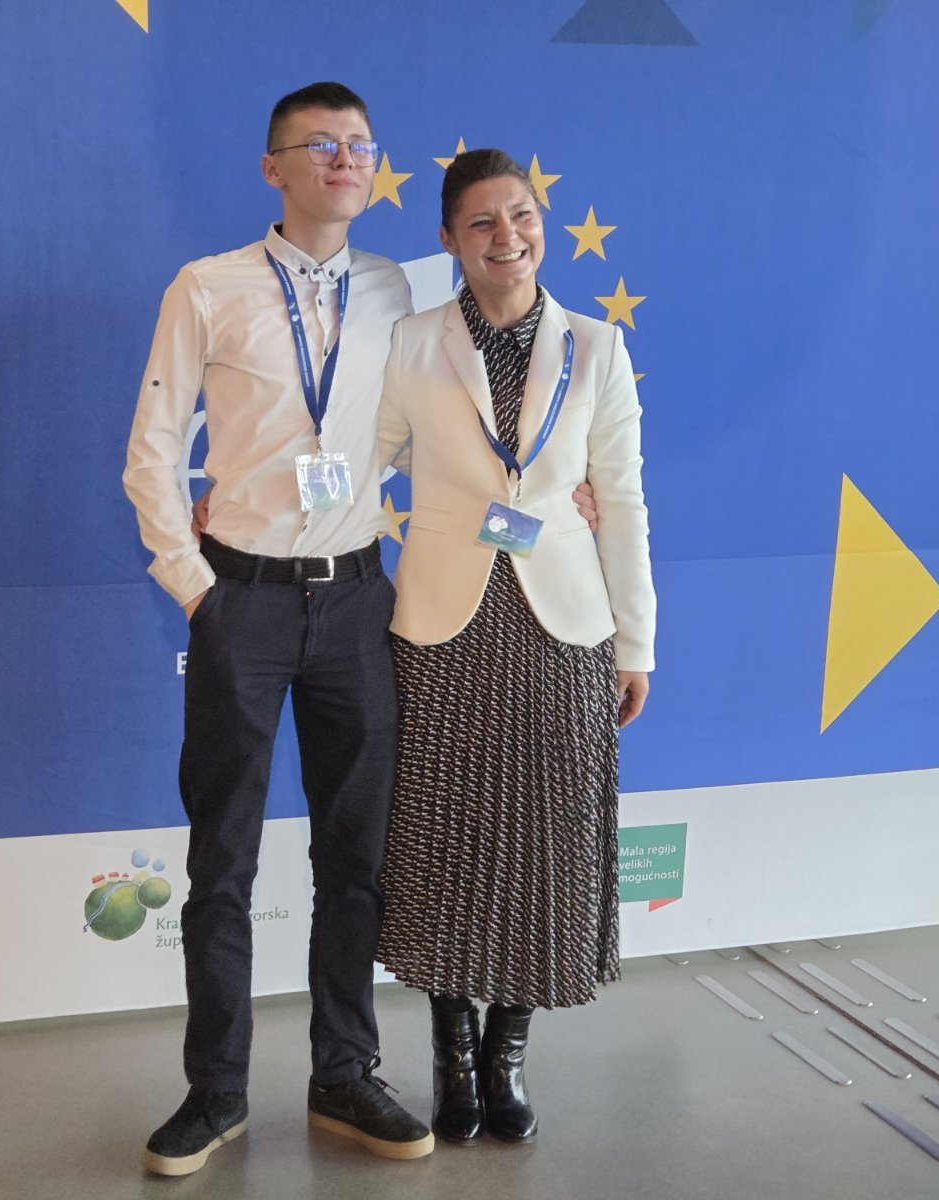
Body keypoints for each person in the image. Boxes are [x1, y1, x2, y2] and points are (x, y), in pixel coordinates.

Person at [122, 81, 433, 1176]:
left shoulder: (398, 289)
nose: (346, 161)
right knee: (223, 860)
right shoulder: (208, 286)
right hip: (240, 602)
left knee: (357, 854)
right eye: (322, 145)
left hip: (357, 602)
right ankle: (216, 1090)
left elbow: (432, 432)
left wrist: (546, 492)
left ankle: (345, 1072)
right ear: (273, 168)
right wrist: (195, 586)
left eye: (361, 145)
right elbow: (153, 446)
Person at [372, 148, 656, 1146]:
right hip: (441, 625)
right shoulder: (411, 343)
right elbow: (356, 466)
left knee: (546, 839)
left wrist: (636, 642)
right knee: (441, 839)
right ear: (449, 238)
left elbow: (622, 498)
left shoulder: (597, 347)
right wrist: (253, 504)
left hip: (564, 625)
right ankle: (451, 1052)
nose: (509, 237)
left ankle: (508, 1055)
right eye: (484, 222)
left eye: (522, 216)